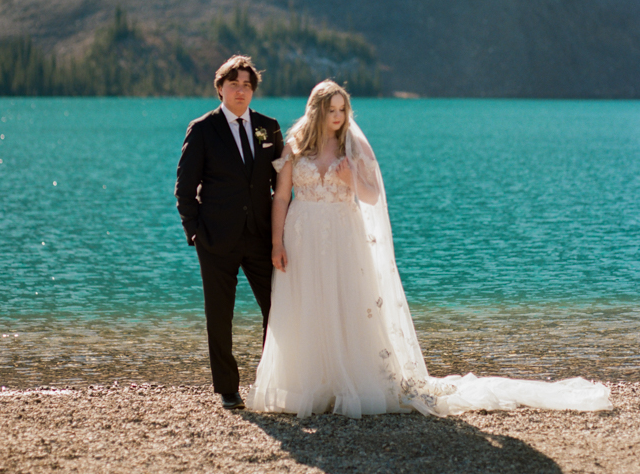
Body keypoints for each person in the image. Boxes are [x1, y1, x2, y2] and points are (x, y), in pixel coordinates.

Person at [247, 80, 611, 418]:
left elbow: (373, 197)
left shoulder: (351, 147)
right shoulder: (295, 145)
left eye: (342, 109)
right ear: (317, 111)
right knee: (307, 303)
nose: (339, 116)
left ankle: (350, 385)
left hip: (343, 235)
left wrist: (350, 179)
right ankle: (307, 386)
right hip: (302, 232)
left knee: (344, 304)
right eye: (332, 110)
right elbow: (280, 198)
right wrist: (278, 242)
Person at [175, 55, 283, 410]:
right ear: (220, 88)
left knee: (279, 309)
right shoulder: (203, 128)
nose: (240, 90)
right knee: (220, 316)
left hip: (261, 236)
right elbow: (185, 187)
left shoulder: (268, 127)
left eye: (247, 85)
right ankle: (227, 388)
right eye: (234, 84)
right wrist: (195, 232)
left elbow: (283, 184)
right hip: (216, 238)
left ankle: (273, 379)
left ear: (253, 91)